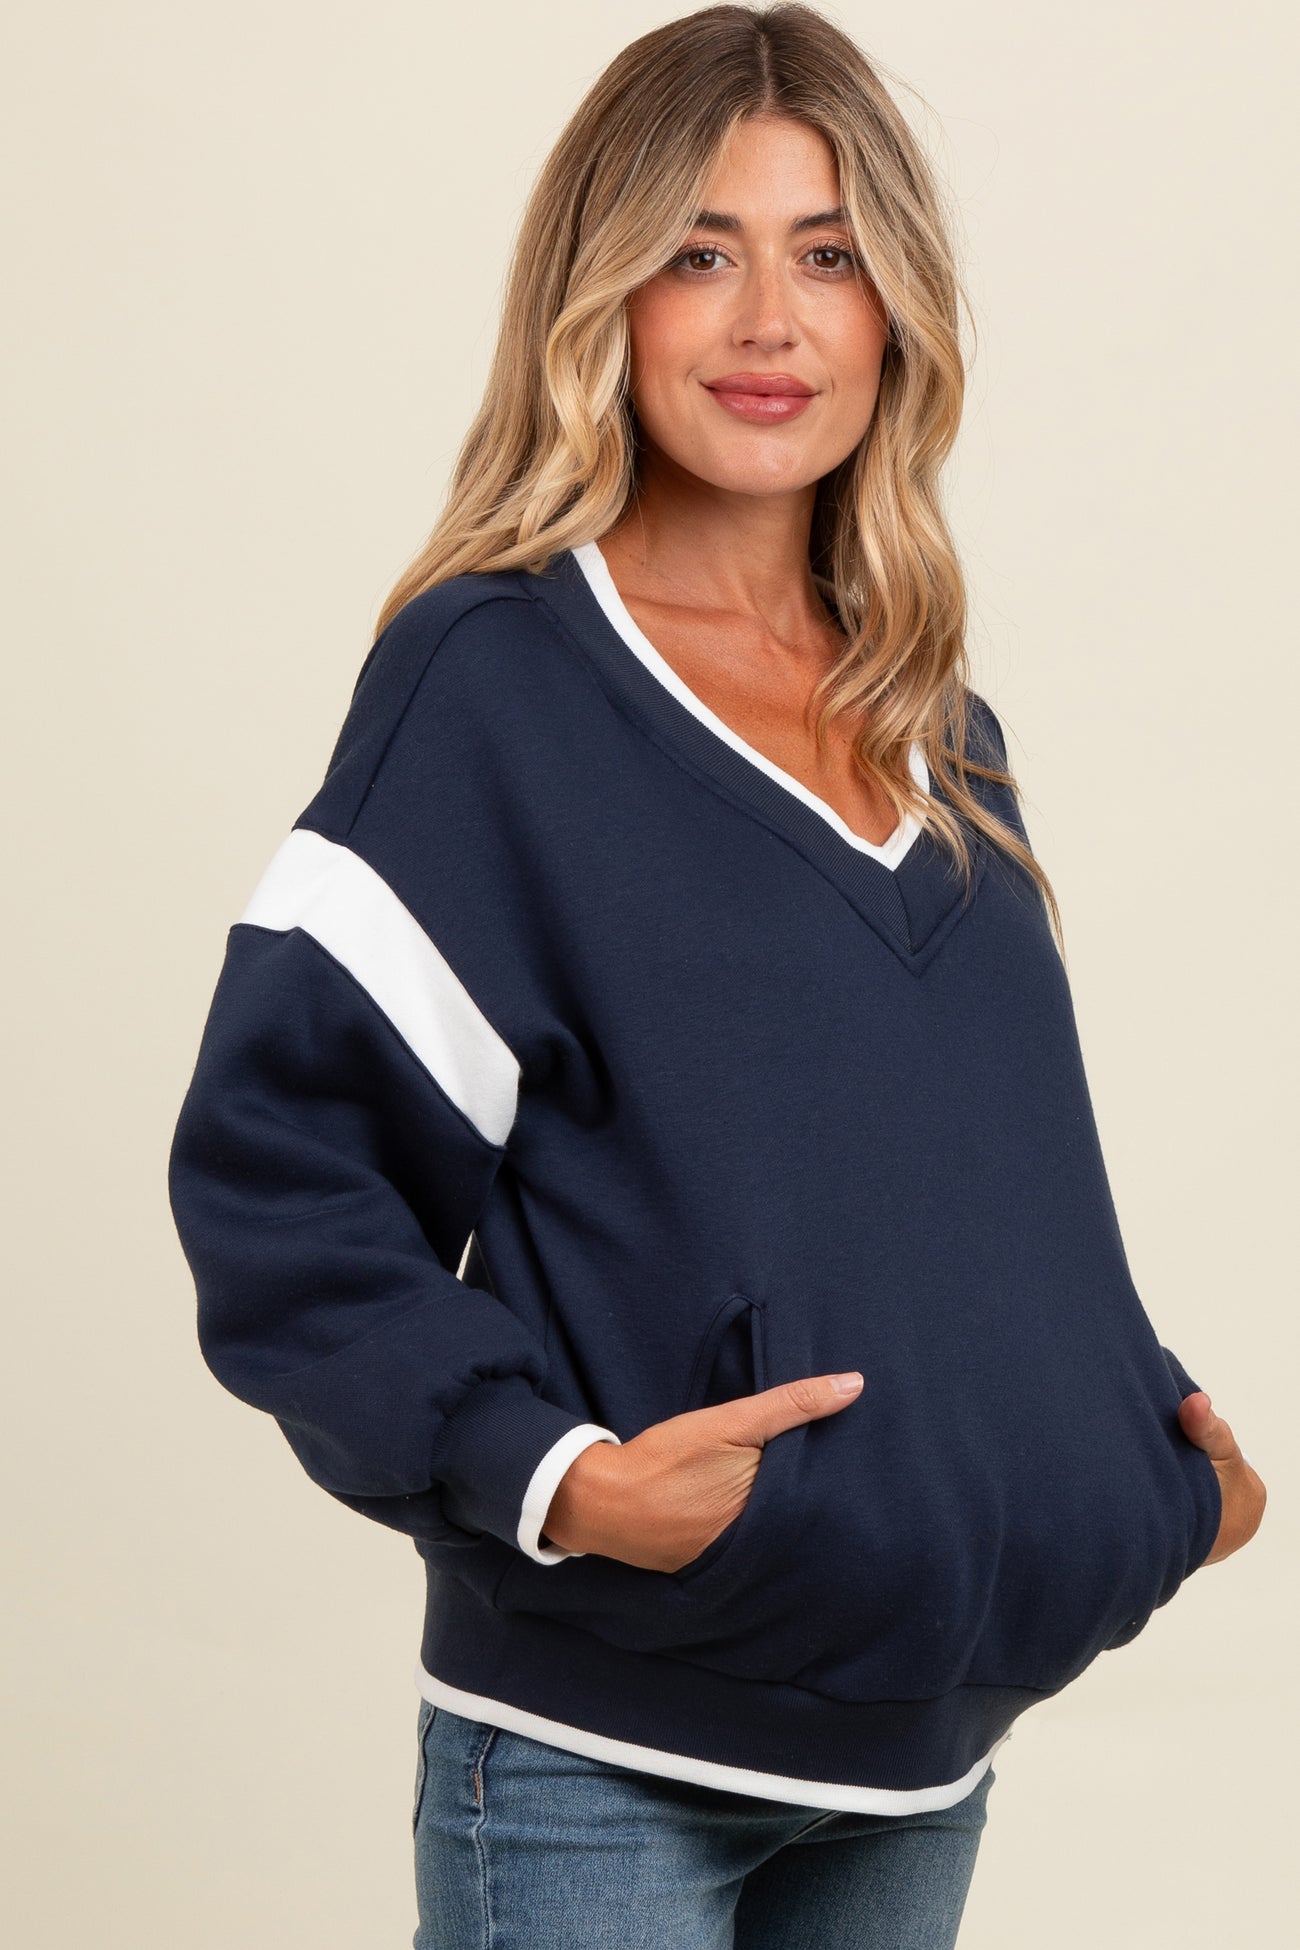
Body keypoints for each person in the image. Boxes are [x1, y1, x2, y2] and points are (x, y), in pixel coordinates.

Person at [166, 6, 1267, 1946]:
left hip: (918, 1757)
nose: (769, 319)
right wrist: (557, 1477)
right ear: (601, 296)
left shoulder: (936, 726)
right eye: (699, 250)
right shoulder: (495, 683)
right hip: (598, 1756)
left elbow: (964, 1184)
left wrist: (1134, 1449)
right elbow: (285, 1183)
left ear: (894, 311)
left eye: (825, 253)